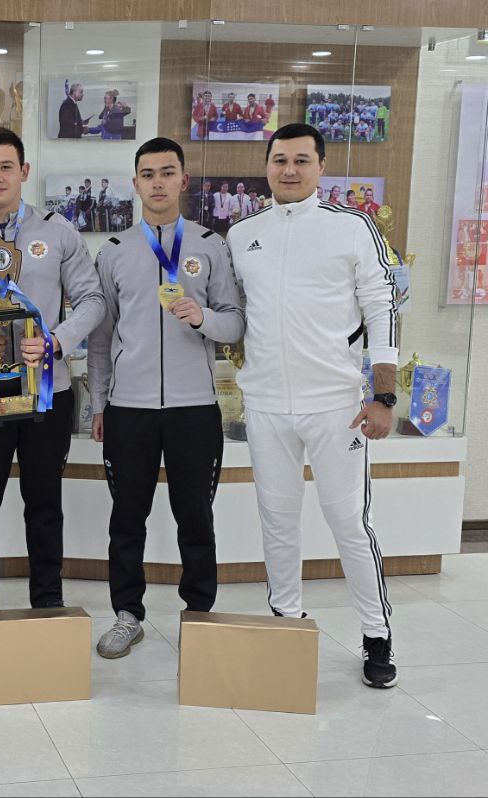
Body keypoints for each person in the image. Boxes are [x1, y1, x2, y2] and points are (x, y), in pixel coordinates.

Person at [228, 122, 400, 690]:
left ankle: (376, 635)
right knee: (277, 521)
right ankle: (287, 624)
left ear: (321, 167)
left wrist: (383, 394)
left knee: (349, 522)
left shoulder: (352, 227)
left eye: (302, 160)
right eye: (280, 160)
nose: (290, 170)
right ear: (267, 166)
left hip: (336, 406)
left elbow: (382, 308)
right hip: (266, 405)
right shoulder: (242, 234)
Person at [0, 127, 105, 613]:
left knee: (45, 503)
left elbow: (92, 300)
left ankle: (48, 603)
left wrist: (56, 341)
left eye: (6, 167)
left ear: (24, 171)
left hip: (47, 391)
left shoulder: (59, 231)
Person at [87, 137, 245, 658]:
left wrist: (203, 319)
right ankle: (127, 615)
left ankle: (198, 615)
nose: (158, 182)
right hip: (128, 409)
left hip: (193, 408)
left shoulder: (210, 245)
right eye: (148, 174)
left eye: (167, 172)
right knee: (126, 519)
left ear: (183, 180)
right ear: (135, 184)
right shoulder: (113, 251)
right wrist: (99, 404)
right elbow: (101, 337)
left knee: (195, 518)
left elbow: (234, 322)